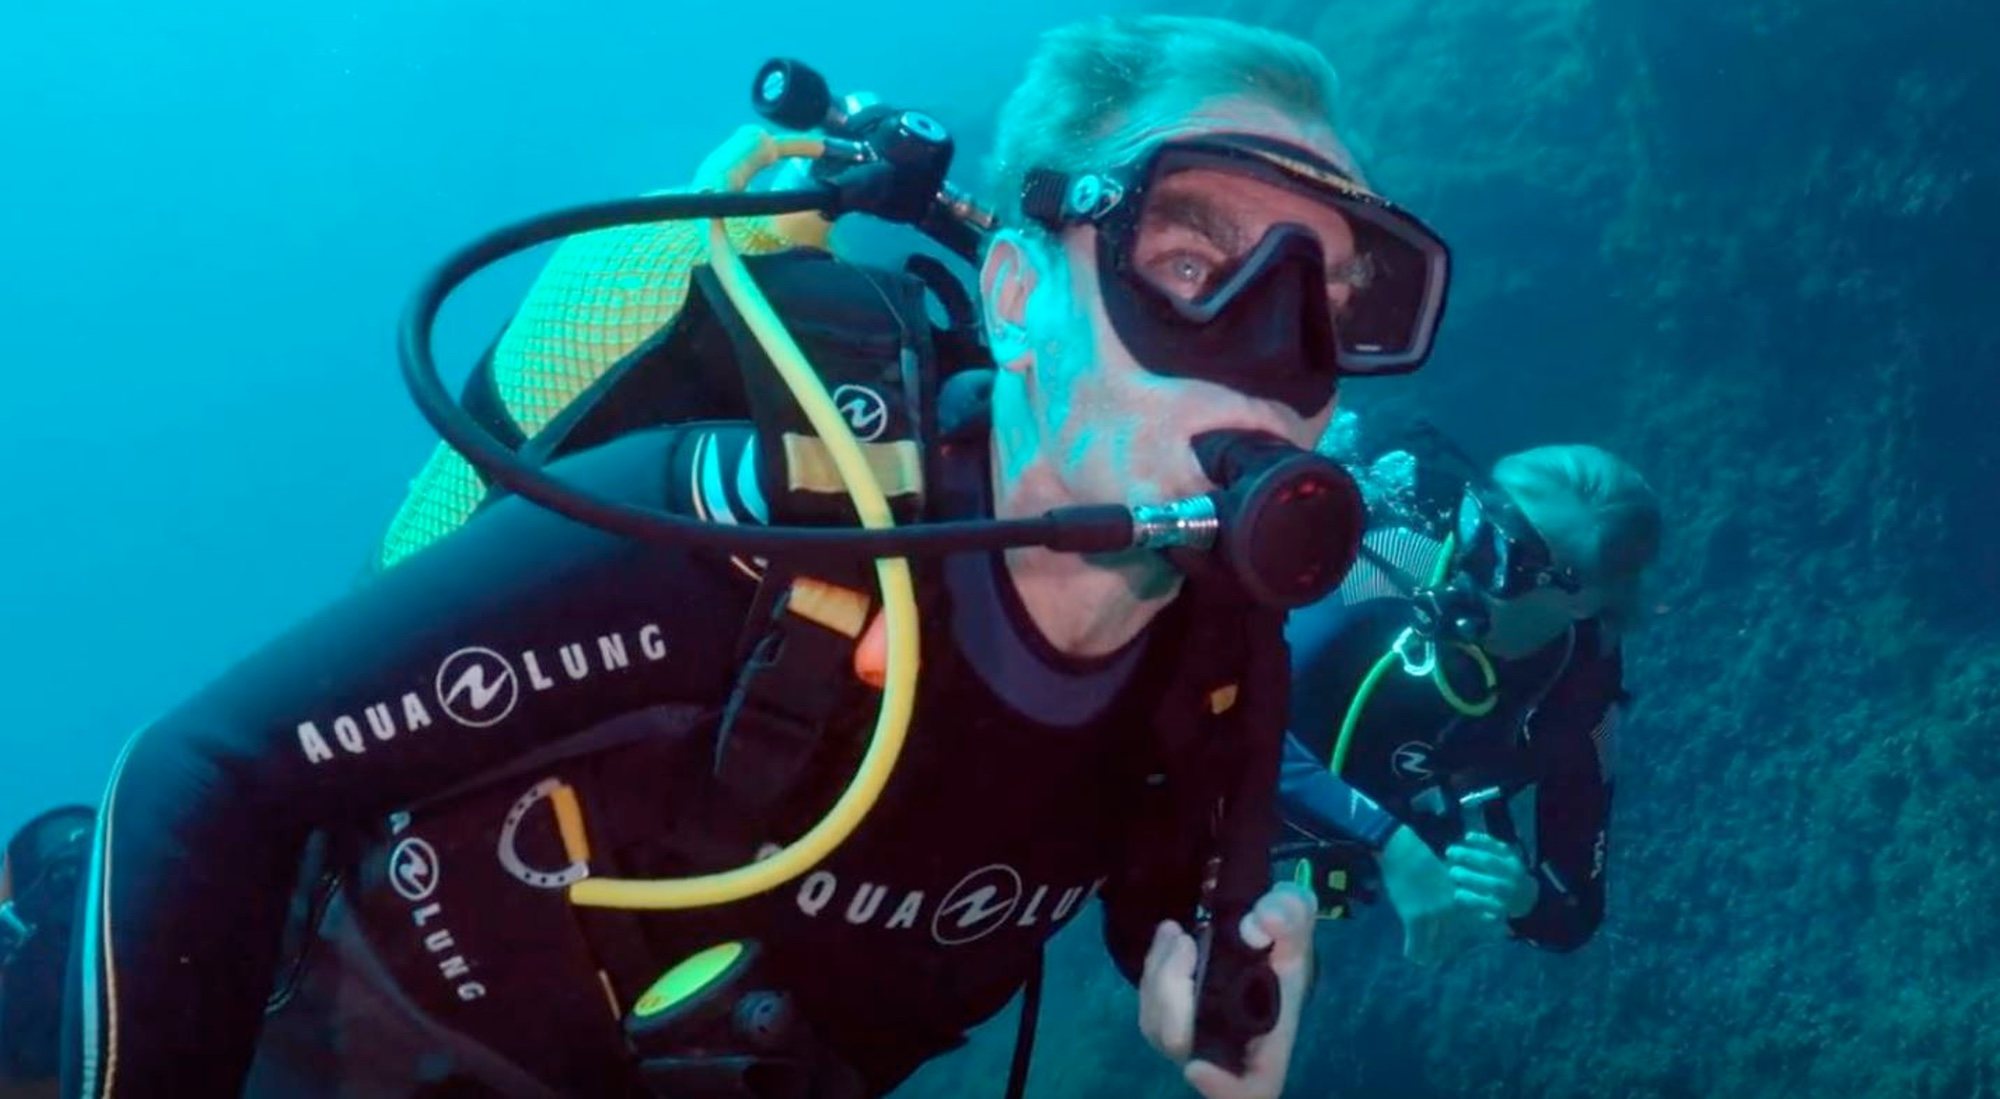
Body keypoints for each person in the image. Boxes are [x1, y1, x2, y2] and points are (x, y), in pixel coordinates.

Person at [46, 14, 1456, 1099]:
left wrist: (1210, 985)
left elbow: (1158, 875)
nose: (1285, 366)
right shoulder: (745, 540)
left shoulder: (1210, 671)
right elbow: (208, 770)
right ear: (1019, 293)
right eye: (1200, 268)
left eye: (1335, 306)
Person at [1277, 439, 1661, 966]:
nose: (1464, 549)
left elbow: (1575, 915)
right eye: (1475, 514)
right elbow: (1225, 722)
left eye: (1502, 553)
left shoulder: (1579, 692)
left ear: (1580, 597)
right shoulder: (1389, 563)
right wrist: (1392, 844)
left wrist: (1521, 897)